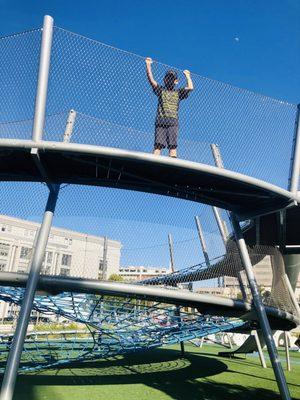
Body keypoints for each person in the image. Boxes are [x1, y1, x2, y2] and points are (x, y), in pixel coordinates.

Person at [145, 57, 193, 158]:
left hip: (173, 121)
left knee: (173, 146)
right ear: (164, 80)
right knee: (158, 146)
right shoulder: (161, 90)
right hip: (161, 120)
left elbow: (190, 87)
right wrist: (148, 65)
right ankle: (154, 162)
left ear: (176, 81)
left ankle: (172, 161)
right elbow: (151, 80)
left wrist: (188, 76)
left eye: (172, 78)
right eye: (168, 78)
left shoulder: (178, 92)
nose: (169, 80)